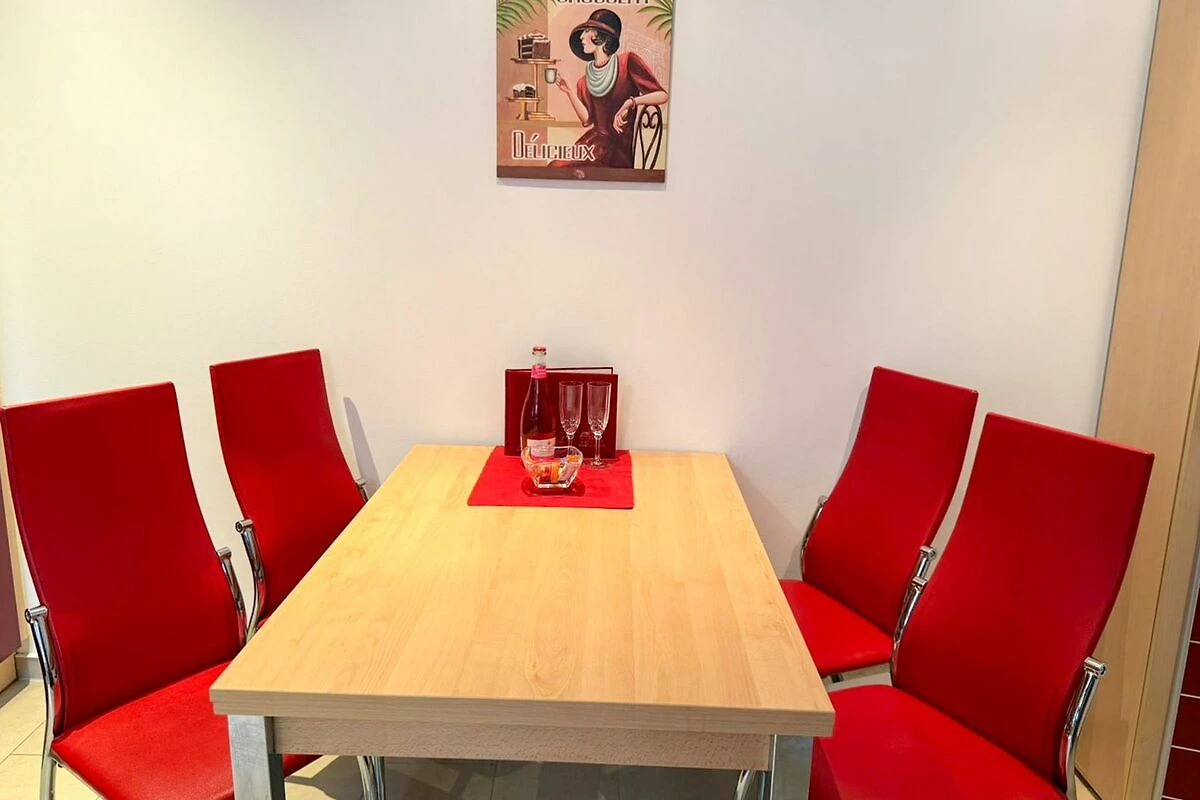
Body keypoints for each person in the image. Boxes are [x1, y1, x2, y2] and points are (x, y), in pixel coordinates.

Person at [550, 9, 670, 169]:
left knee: (560, 168)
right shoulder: (583, 81)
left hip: (617, 150)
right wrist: (569, 91)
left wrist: (630, 102)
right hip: (593, 144)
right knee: (555, 166)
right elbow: (587, 120)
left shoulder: (627, 62)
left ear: (602, 36)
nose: (581, 37)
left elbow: (662, 95)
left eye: (587, 31)